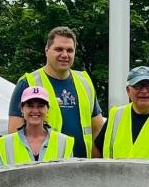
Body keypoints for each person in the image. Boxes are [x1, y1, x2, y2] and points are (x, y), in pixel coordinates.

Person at [7, 26, 104, 158]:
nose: (64, 55)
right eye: (58, 49)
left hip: (82, 169)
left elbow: (97, 132)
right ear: (47, 50)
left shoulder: (85, 82)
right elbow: (14, 135)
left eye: (70, 50)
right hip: (46, 170)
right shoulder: (28, 82)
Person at [0, 86, 76, 166]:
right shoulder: (5, 144)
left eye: (40, 106)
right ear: (22, 109)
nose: (35, 110)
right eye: (30, 106)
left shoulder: (64, 143)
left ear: (47, 110)